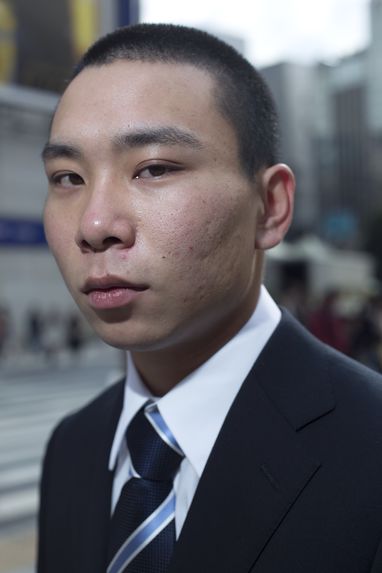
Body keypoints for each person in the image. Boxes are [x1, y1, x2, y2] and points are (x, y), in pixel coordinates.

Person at [37, 24, 382, 573]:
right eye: (68, 177)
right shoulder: (73, 448)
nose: (96, 224)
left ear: (270, 207)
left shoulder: (370, 451)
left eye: (154, 168)